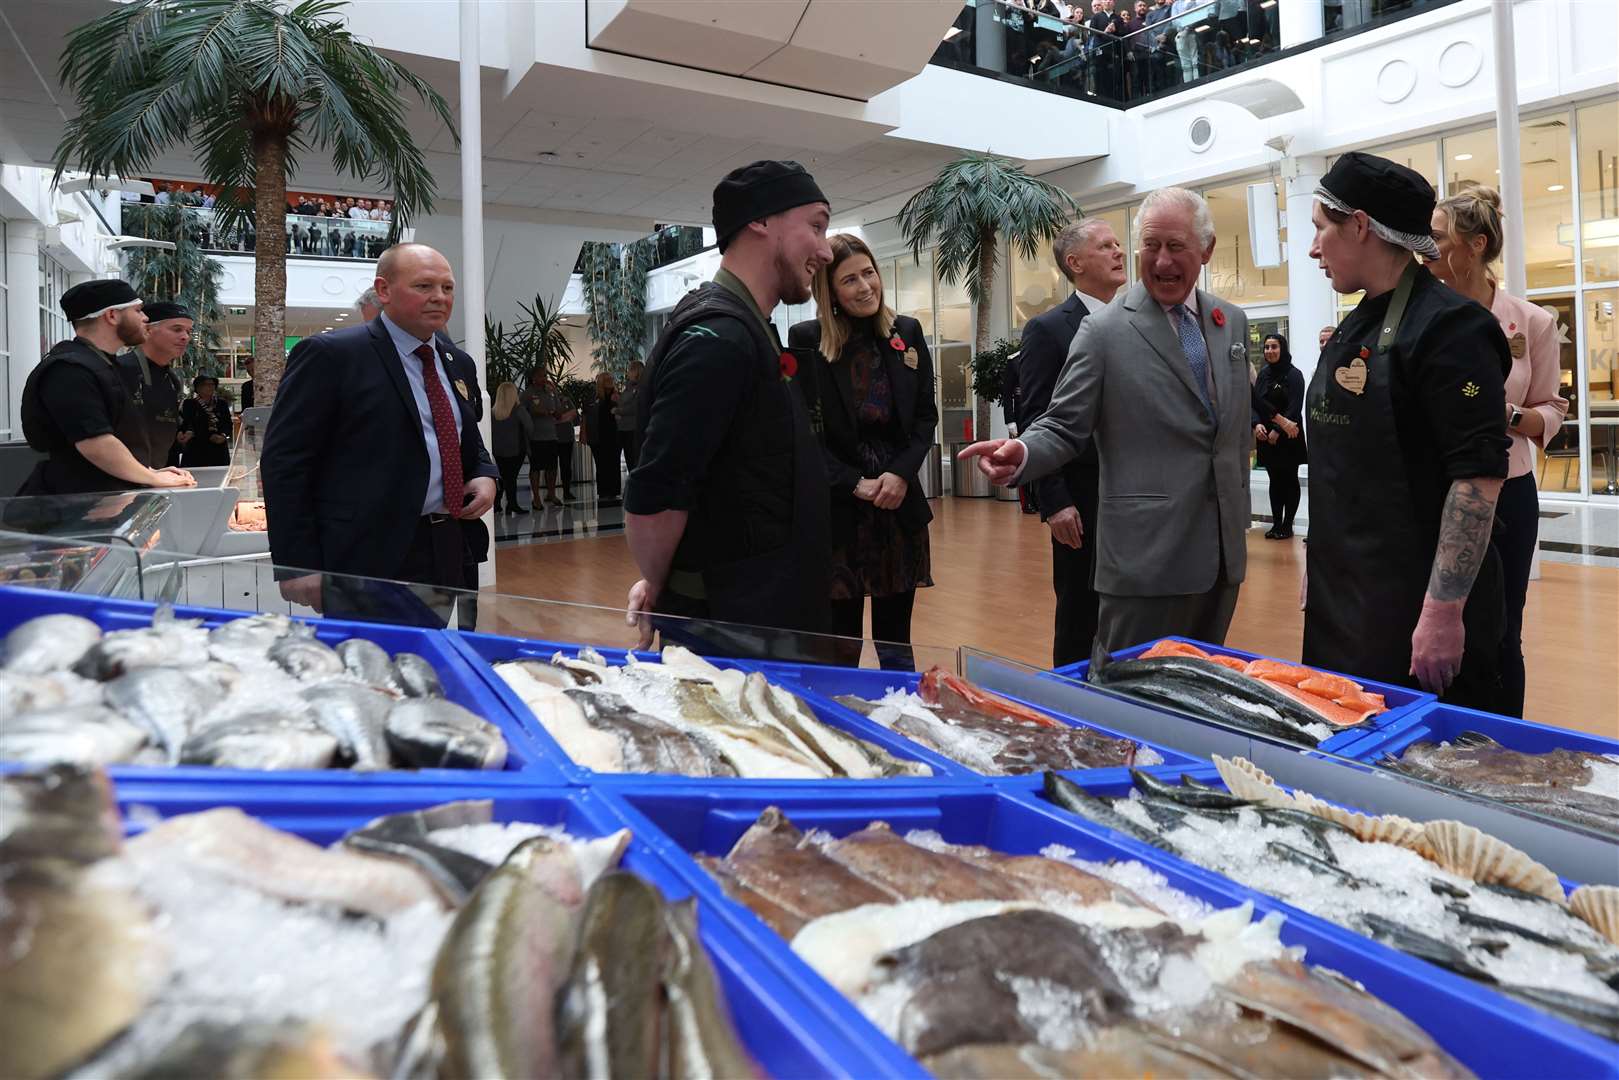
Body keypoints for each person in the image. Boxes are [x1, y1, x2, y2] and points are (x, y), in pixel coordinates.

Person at [961, 187, 1253, 662]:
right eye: (1150, 246)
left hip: (1222, 554)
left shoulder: (1231, 322)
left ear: (1207, 249)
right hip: (1145, 560)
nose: (1160, 262)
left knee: (1200, 682)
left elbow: (1231, 429)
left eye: (1176, 247)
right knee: (1125, 692)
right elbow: (1062, 423)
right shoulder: (1103, 331)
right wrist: (1027, 452)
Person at [1303, 152, 1511, 708]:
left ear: (1361, 225)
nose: (1313, 248)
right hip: (1345, 599)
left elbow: (1477, 481)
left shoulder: (1452, 328)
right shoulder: (1359, 319)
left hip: (1414, 613)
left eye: (1322, 230)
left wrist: (1443, 614)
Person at [624, 160, 835, 657]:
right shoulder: (719, 337)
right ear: (760, 221)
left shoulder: (745, 327)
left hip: (763, 615)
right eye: (817, 226)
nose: (825, 250)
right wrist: (659, 584)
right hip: (735, 632)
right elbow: (657, 492)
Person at [262, 243, 497, 624]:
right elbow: (285, 462)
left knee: (427, 660)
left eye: (447, 288)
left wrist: (485, 474)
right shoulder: (332, 356)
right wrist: (297, 562)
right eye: (424, 286)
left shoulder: (457, 363)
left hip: (447, 545)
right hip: (366, 554)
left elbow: (463, 439)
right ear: (384, 290)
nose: (439, 297)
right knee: (369, 667)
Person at [1430, 185, 1566, 718]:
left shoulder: (1531, 322)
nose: (1425, 248)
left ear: (1474, 245)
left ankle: (1504, 742)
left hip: (1507, 492)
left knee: (1504, 627)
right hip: (1435, 490)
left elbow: (1552, 409)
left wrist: (1507, 416)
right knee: (1436, 621)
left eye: (1438, 238)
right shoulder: (1424, 316)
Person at [789, 233, 937, 670]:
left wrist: (899, 475)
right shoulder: (806, 339)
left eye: (869, 273)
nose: (865, 286)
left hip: (897, 509)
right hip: (840, 511)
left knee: (896, 645)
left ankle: (899, 718)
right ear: (829, 291)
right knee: (840, 646)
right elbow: (805, 433)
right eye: (849, 279)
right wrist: (854, 482)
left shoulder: (904, 332)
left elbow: (924, 418)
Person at [1017, 218, 1127, 667]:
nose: (1119, 251)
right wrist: (1055, 500)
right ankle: (1070, 705)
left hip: (1135, 495)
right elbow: (1037, 418)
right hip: (1082, 497)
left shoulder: (1137, 321)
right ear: (1075, 263)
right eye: (1106, 246)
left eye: (1119, 243)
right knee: (1081, 613)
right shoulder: (1049, 330)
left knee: (1129, 612)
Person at [17, 280, 195, 496]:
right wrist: (152, 478)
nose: (145, 318)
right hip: (76, 506)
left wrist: (147, 472)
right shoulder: (70, 369)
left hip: (109, 497)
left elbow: (122, 438)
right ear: (112, 315)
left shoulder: (105, 365)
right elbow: (96, 444)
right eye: (138, 310)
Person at [113, 301, 190, 471]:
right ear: (147, 330)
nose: (185, 337)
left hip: (153, 478)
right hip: (118, 482)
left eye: (188, 331)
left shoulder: (172, 379)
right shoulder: (119, 371)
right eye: (177, 329)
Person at [1251, 333, 1306, 539]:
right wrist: (1256, 425)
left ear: (1282, 348)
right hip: (1265, 437)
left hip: (1288, 436)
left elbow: (1294, 408)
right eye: (1266, 347)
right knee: (1274, 481)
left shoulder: (1294, 374)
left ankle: (1287, 525)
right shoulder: (1264, 374)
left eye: (1274, 347)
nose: (1270, 351)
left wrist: (1278, 430)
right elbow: (1255, 403)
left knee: (1289, 480)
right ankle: (1275, 524)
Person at [522, 369, 563, 507]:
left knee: (552, 467)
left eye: (545, 375)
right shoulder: (527, 394)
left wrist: (555, 393)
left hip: (551, 436)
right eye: (540, 375)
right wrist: (534, 413)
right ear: (533, 378)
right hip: (535, 437)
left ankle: (551, 494)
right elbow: (520, 413)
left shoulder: (551, 392)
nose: (544, 378)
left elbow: (559, 413)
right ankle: (536, 498)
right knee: (536, 468)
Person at [490, 380, 531, 515]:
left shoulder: (493, 412)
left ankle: (497, 503)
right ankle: (512, 504)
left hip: (498, 450)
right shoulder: (519, 410)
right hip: (516, 449)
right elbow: (530, 427)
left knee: (502, 476)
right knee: (511, 477)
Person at [177, 375, 233, 468]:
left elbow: (227, 424)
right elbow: (189, 423)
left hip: (218, 449)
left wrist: (223, 435)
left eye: (212, 384)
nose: (210, 387)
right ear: (198, 388)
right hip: (197, 448)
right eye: (206, 385)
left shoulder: (221, 404)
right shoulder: (190, 404)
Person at [587, 372, 623, 505]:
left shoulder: (616, 395)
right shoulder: (595, 397)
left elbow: (621, 410)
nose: (610, 381)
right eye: (606, 379)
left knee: (614, 463)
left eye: (611, 378)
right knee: (601, 464)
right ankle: (603, 491)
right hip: (599, 435)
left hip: (614, 435)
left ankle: (613, 491)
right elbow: (587, 414)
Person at [614, 361, 644, 471]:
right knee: (628, 458)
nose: (628, 373)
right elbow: (623, 402)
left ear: (637, 371)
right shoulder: (628, 387)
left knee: (633, 459)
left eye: (630, 370)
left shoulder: (641, 388)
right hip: (622, 428)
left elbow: (635, 407)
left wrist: (618, 411)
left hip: (633, 428)